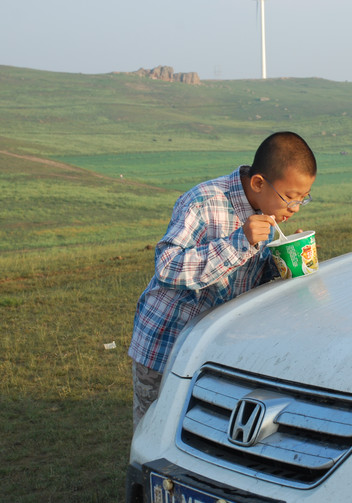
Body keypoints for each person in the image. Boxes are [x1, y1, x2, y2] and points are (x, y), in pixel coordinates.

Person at [128, 131, 316, 428]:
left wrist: (285, 262)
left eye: (303, 200)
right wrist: (238, 242)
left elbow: (250, 279)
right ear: (258, 183)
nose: (293, 209)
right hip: (167, 348)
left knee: (203, 430)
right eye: (290, 198)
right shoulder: (204, 203)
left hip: (214, 349)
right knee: (157, 429)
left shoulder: (267, 213)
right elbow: (167, 267)